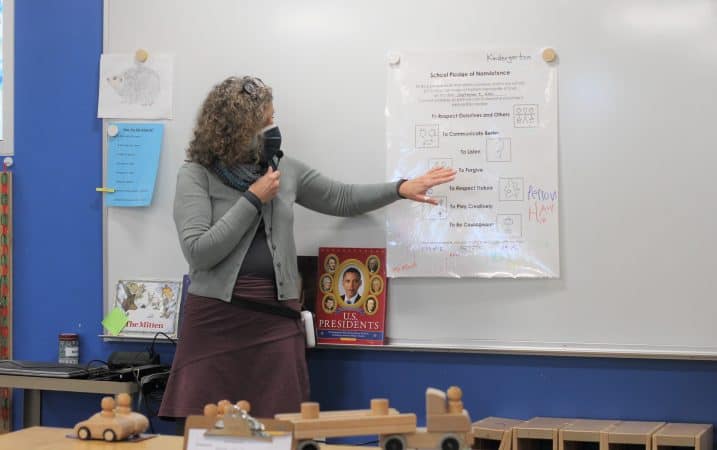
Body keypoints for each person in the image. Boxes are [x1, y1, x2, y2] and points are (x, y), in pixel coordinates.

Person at [158, 75, 456, 425]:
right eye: (265, 119)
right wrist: (254, 198)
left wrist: (400, 188)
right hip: (216, 322)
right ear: (237, 127)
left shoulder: (284, 170)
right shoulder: (196, 175)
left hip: (276, 320)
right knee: (209, 429)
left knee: (281, 427)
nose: (273, 126)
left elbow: (341, 198)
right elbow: (199, 252)